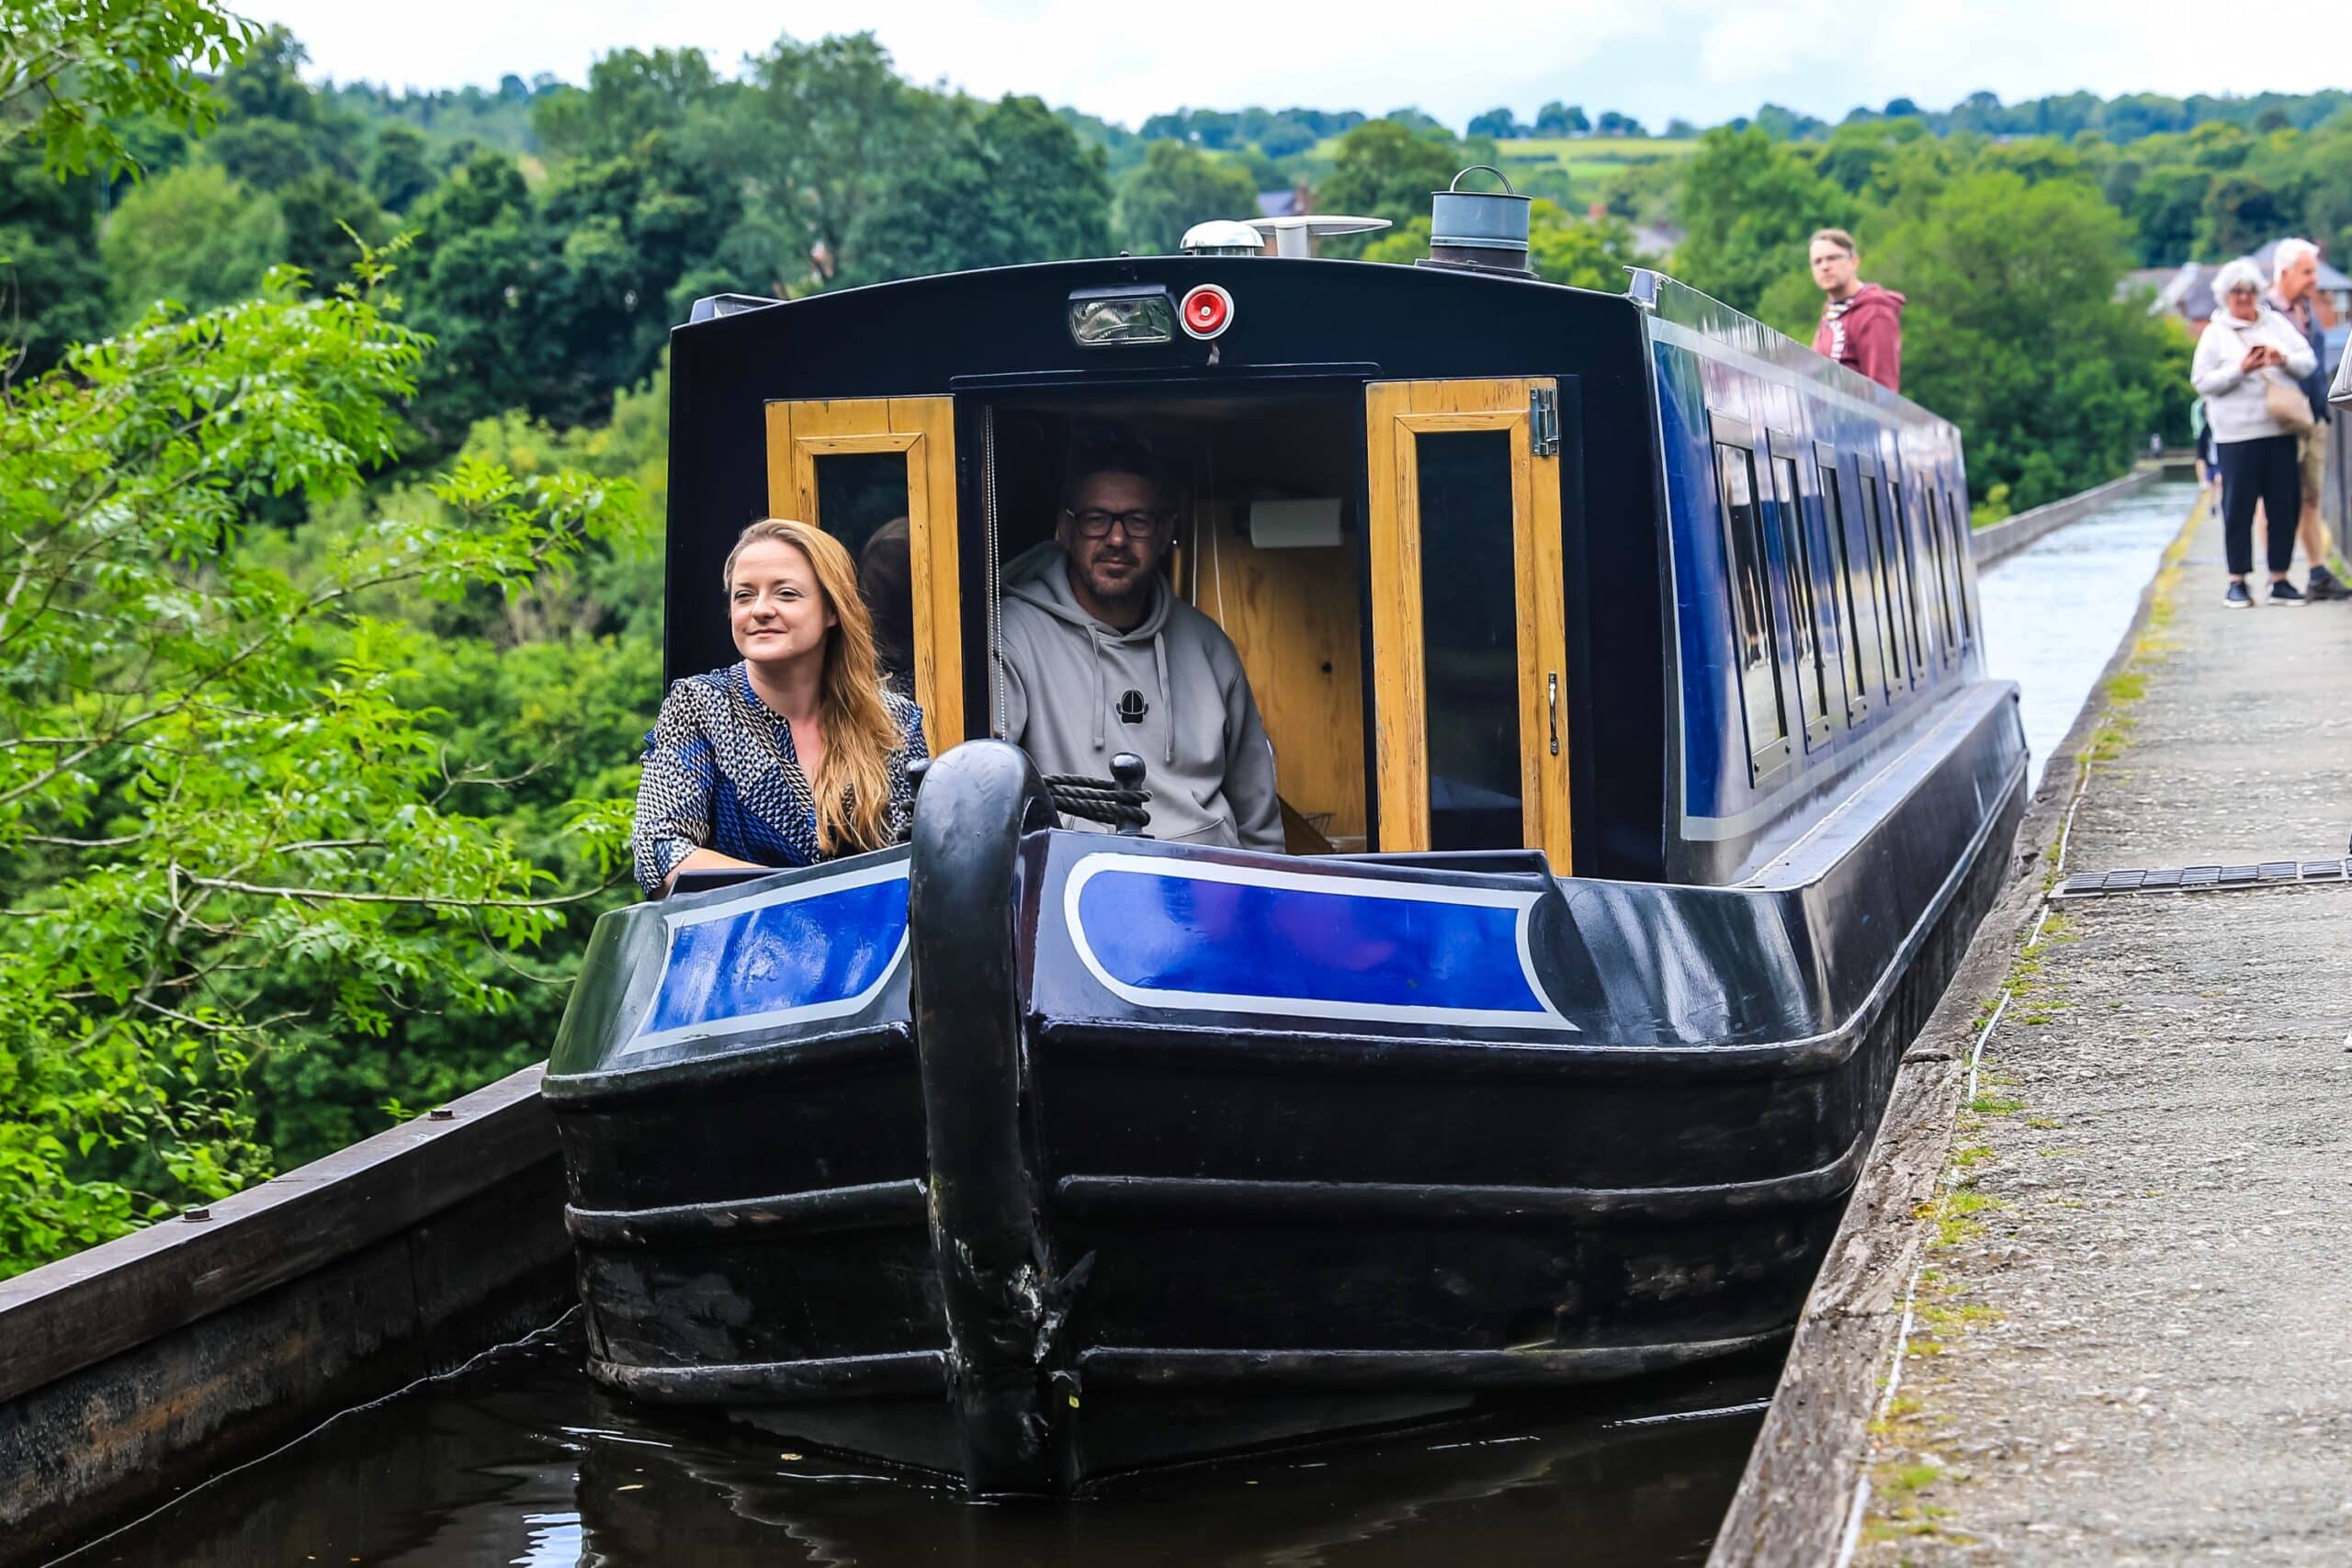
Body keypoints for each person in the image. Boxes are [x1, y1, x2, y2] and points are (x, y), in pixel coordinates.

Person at [998, 441, 1283, 852]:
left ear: (1166, 530)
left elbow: (1259, 819)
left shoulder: (1208, 645)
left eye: (1138, 520)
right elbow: (988, 796)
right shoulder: (1013, 636)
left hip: (1205, 887)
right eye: (1097, 519)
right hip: (1076, 889)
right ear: (1066, 528)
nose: (1116, 538)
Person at [633, 518, 927, 895]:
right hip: (744, 946)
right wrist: (796, 895)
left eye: (786, 594)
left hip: (875, 948)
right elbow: (660, 850)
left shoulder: (894, 720)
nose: (761, 610)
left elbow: (918, 860)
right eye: (744, 595)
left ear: (832, 610)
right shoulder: (700, 705)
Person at [2190, 257, 2318, 608]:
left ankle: (2279, 578)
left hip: (2279, 427)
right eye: (2236, 292)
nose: (2243, 298)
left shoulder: (2274, 324)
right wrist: (2240, 369)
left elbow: (2307, 360)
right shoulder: (2215, 334)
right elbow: (2201, 382)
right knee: (2238, 508)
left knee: (2284, 505)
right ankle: (2237, 580)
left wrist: (2281, 360)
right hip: (2236, 435)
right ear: (2225, 296)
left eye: (2249, 291)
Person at [2265, 239, 2347, 599]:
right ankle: (2276, 576)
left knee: (2311, 497)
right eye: (2307, 272)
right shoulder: (2263, 313)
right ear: (2284, 273)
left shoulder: (2307, 311)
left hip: (2312, 416)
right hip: (2278, 418)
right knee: (2276, 502)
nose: (2314, 279)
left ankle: (2316, 572)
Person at [1808, 229, 1905, 392]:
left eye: (1832, 258)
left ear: (1854, 261)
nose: (1824, 267)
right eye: (1817, 261)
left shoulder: (1875, 311)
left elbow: (1883, 390)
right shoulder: (1831, 313)